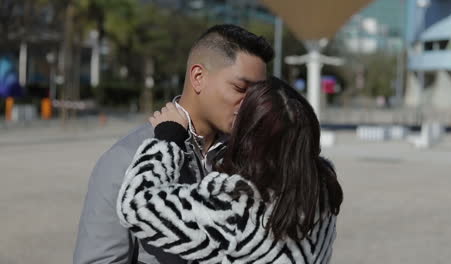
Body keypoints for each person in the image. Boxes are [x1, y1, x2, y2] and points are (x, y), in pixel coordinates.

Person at [73, 24, 273, 264]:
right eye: (241, 88)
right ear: (198, 77)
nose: (252, 103)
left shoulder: (250, 156)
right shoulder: (126, 159)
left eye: (259, 94)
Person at [117, 77, 344, 263]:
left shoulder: (238, 208)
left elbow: (136, 205)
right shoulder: (322, 190)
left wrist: (168, 139)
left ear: (250, 136)